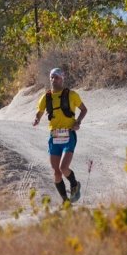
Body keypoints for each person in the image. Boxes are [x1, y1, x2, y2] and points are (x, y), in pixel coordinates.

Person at [32, 67, 88, 203]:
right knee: (56, 173)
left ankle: (74, 184)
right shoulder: (46, 97)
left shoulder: (71, 95)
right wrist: (37, 119)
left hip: (68, 135)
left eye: (56, 77)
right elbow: (40, 111)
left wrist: (78, 122)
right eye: (52, 77)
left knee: (63, 168)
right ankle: (65, 201)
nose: (53, 80)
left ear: (62, 79)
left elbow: (84, 109)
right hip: (54, 136)